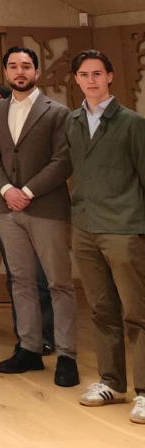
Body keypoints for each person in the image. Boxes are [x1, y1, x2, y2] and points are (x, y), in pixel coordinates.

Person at [0, 46, 78, 387]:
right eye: (13, 66)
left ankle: (67, 355)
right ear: (6, 72)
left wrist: (28, 191)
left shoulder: (58, 112)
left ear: (36, 72)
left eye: (26, 66)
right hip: (7, 209)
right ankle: (30, 348)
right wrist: (7, 189)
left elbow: (63, 161)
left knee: (58, 283)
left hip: (46, 208)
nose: (19, 71)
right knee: (21, 282)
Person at [66, 49, 145, 423]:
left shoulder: (132, 123)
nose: (91, 80)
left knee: (137, 312)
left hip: (125, 227)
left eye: (98, 73)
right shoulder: (72, 121)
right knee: (102, 310)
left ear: (110, 76)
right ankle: (112, 382)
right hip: (84, 227)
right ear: (77, 80)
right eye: (84, 74)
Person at [0, 83, 55, 354]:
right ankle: (25, 335)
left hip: (39, 207)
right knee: (17, 276)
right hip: (3, 209)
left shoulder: (34, 125)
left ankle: (46, 335)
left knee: (42, 276)